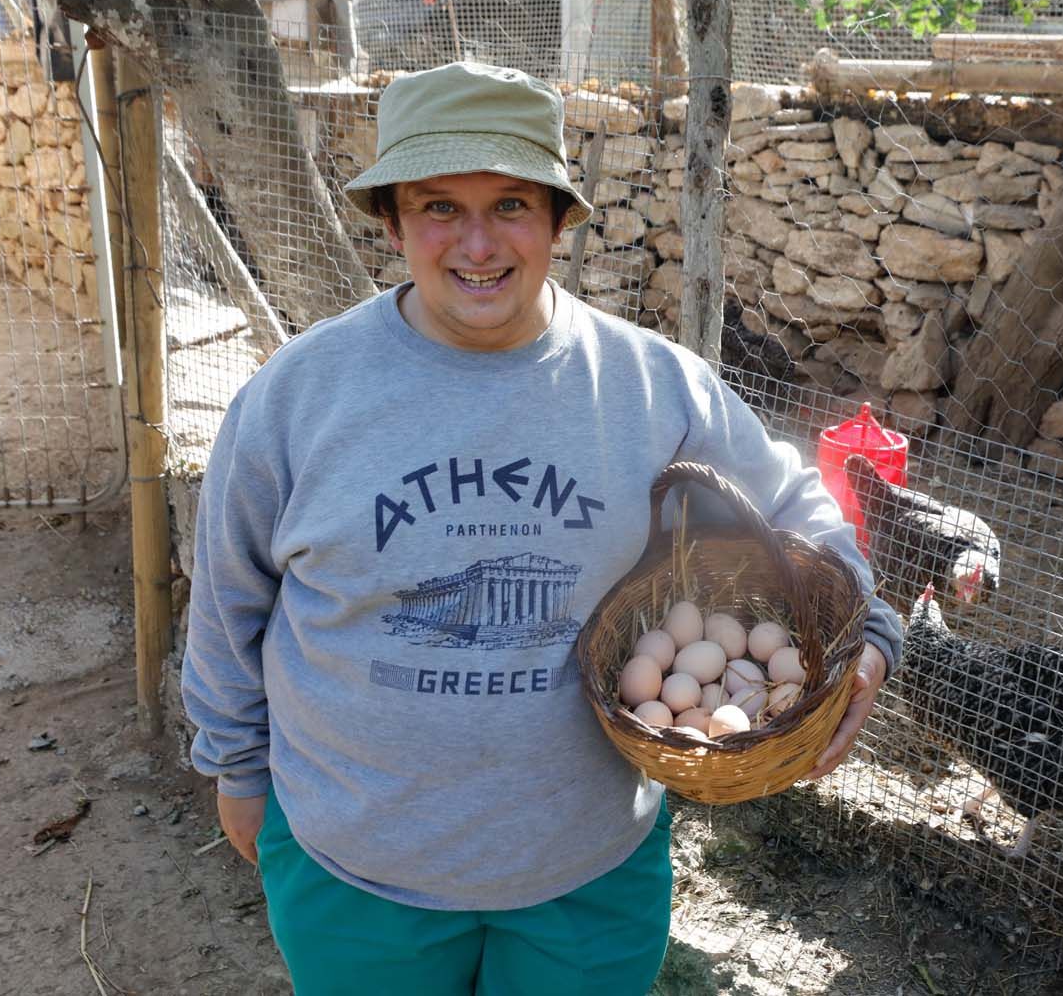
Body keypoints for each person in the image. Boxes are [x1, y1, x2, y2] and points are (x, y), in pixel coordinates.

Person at [180, 59, 904, 995]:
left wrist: (872, 636)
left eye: (513, 204)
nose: (477, 243)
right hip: (354, 869)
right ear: (393, 220)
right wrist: (236, 766)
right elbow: (228, 594)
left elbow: (802, 509)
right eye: (439, 206)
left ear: (560, 220)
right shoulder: (297, 397)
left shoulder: (651, 386)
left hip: (588, 872)